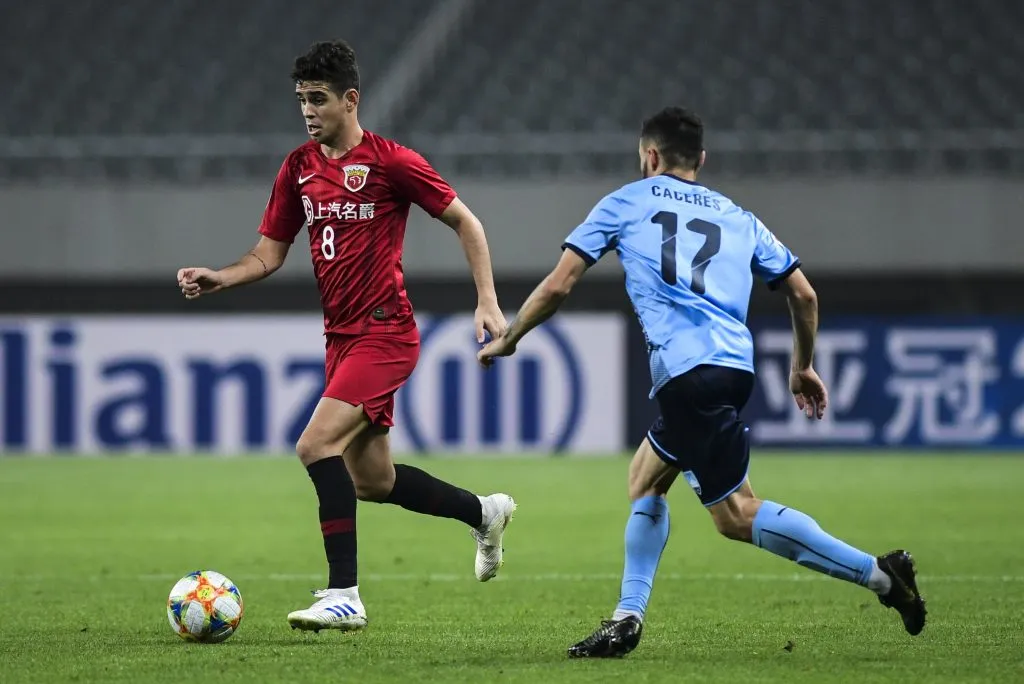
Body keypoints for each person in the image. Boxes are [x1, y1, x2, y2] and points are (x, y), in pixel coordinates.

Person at [477, 106, 925, 658]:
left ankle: (881, 577)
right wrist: (802, 365)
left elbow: (560, 284)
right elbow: (804, 294)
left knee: (736, 515)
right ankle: (627, 618)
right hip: (733, 370)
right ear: (701, 160)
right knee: (646, 476)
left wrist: (512, 335)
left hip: (687, 376)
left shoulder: (626, 201)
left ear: (650, 155)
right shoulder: (739, 216)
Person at [177, 40, 516, 633]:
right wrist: (220, 278)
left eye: (318, 99)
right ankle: (483, 512)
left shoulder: (392, 162)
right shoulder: (299, 168)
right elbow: (268, 253)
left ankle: (344, 594)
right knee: (373, 481)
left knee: (314, 445)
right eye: (301, 100)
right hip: (340, 340)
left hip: (386, 335)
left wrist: (487, 300)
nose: (308, 111)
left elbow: (467, 221)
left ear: (351, 99)